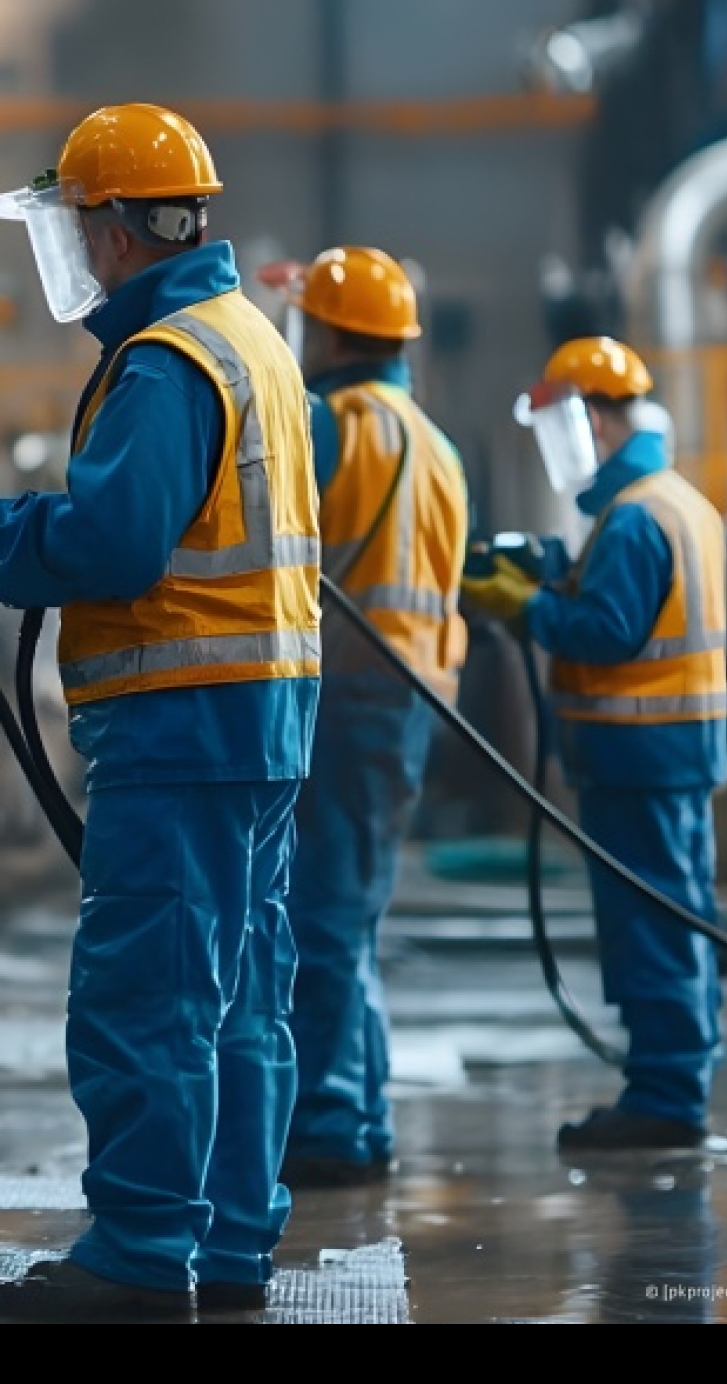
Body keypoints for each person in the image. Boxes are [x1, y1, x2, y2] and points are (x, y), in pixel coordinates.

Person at [0, 103, 322, 1321]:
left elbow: (115, 540)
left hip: (179, 724)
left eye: (75, 223)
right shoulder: (251, 341)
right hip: (259, 723)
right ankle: (225, 1248)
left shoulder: (169, 358)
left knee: (148, 996)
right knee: (239, 996)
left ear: (117, 231)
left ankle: (134, 1258)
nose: (74, 250)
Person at [461, 335, 727, 1151]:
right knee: (679, 918)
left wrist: (523, 608)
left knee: (650, 925)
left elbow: (607, 631)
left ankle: (665, 1097)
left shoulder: (635, 519)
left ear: (596, 421)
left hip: (636, 755)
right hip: (671, 752)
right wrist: (540, 565)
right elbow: (613, 591)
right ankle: (677, 1077)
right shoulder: (666, 500)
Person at [256, 245, 471, 1188]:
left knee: (324, 914)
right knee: (355, 907)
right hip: (413, 698)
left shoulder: (327, 420)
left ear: (333, 331)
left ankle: (328, 1122)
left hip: (342, 690)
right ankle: (364, 1109)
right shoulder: (435, 441)